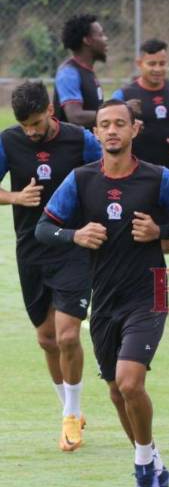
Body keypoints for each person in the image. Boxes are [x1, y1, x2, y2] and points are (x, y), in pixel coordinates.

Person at [36, 99, 169, 487]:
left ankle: (143, 472)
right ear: (96, 134)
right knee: (115, 391)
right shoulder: (80, 179)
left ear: (133, 130)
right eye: (104, 125)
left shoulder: (157, 178)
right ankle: (157, 464)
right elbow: (43, 228)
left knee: (130, 383)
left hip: (149, 294)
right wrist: (74, 235)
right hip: (104, 300)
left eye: (119, 124)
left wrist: (160, 230)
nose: (111, 131)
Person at [0, 81, 101, 451]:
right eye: (25, 124)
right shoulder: (8, 141)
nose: (31, 131)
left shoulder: (80, 141)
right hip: (31, 248)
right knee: (46, 338)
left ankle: (70, 416)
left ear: (50, 112)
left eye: (37, 122)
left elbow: (106, 175)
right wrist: (14, 197)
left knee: (68, 335)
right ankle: (70, 410)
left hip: (73, 246)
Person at [113, 38, 169, 254]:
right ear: (139, 63)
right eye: (152, 64)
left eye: (162, 63)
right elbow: (110, 129)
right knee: (131, 235)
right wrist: (128, 128)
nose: (158, 69)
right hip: (134, 176)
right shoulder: (124, 95)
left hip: (168, 174)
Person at [53, 14, 108, 128]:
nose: (105, 39)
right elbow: (75, 116)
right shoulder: (68, 73)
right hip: (72, 145)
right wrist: (113, 113)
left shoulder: (87, 71)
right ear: (87, 40)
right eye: (101, 35)